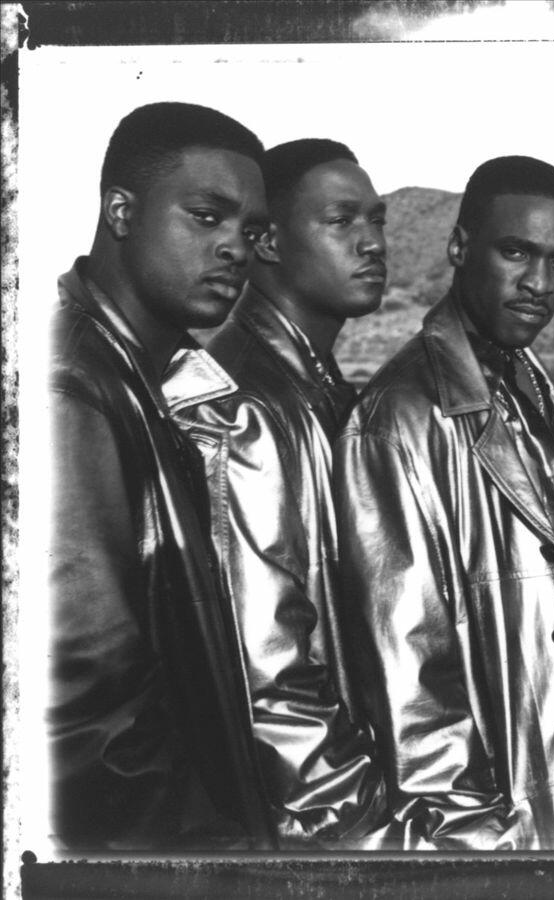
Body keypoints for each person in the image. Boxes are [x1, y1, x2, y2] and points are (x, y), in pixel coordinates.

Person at [334, 156, 554, 850]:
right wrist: (479, 845)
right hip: (500, 838)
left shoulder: (541, 397)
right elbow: (409, 673)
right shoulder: (401, 415)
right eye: (515, 252)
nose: (538, 282)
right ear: (460, 247)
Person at [49, 102, 271, 849]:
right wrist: (210, 861)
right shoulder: (71, 386)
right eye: (207, 217)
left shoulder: (141, 378)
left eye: (251, 232)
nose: (235, 248)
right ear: (121, 212)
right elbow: (84, 700)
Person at [167, 139, 389, 846]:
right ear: (266, 242)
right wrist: (367, 831)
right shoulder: (243, 405)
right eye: (342, 221)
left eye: (378, 221)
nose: (373, 243)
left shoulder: (320, 389)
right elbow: (266, 676)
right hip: (316, 831)